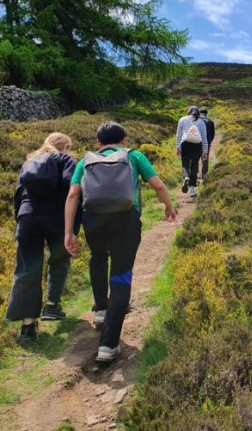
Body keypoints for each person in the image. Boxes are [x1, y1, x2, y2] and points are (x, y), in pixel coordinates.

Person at [64, 121, 177, 363]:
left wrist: (68, 232)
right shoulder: (134, 156)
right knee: (121, 275)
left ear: (98, 142)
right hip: (126, 220)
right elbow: (157, 184)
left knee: (97, 257)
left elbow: (73, 194)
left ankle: (101, 309)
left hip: (93, 220)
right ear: (124, 140)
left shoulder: (85, 161)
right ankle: (108, 345)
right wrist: (169, 206)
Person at [6, 133, 78, 341]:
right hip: (56, 218)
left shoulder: (29, 163)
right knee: (60, 259)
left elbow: (18, 194)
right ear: (64, 146)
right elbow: (71, 190)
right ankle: (51, 306)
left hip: (27, 218)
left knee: (27, 268)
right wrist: (72, 226)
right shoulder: (65, 160)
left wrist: (20, 219)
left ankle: (27, 327)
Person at [175, 106, 208, 197]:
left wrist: (178, 147)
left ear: (188, 112)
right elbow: (204, 138)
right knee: (194, 165)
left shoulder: (182, 119)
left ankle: (186, 177)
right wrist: (205, 151)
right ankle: (192, 189)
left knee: (185, 164)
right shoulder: (201, 122)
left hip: (185, 144)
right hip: (197, 145)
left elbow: (179, 135)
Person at [198, 107, 216, 181]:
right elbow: (213, 134)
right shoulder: (210, 122)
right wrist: (209, 141)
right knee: (205, 160)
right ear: (206, 113)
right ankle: (204, 176)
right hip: (206, 143)